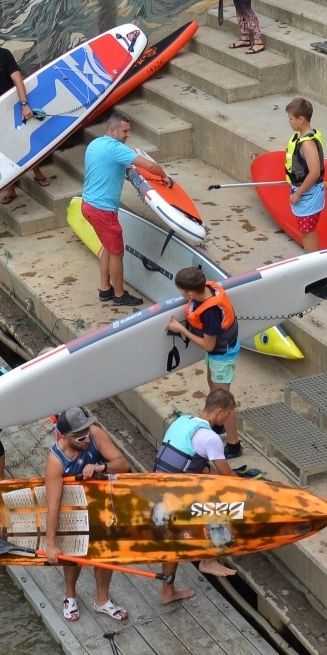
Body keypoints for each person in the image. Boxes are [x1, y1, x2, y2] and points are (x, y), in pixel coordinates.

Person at [152, 388, 243, 595]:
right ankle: (209, 560)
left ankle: (167, 593)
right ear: (219, 412)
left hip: (157, 488)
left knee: (172, 542)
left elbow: (189, 461)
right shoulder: (210, 438)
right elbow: (227, 475)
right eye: (228, 415)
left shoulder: (182, 421)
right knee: (223, 505)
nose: (228, 419)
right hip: (177, 495)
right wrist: (254, 489)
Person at [43, 406, 131, 621]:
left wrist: (100, 467)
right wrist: (51, 544)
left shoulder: (95, 434)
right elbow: (53, 503)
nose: (87, 439)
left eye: (87, 433)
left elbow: (123, 464)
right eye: (80, 437)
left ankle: (102, 600)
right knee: (74, 555)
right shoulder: (55, 461)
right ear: (66, 437)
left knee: (106, 554)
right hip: (74, 509)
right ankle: (70, 595)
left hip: (102, 505)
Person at [82, 111, 172, 306]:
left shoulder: (95, 144)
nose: (128, 135)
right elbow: (151, 166)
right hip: (103, 211)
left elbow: (105, 167)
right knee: (117, 253)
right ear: (113, 130)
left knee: (108, 247)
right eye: (125, 131)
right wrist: (165, 177)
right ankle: (120, 295)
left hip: (88, 205)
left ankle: (105, 289)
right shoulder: (116, 149)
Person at [0, 23, 51, 206]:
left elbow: (17, 79)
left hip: (13, 107)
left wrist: (24, 105)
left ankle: (37, 173)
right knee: (3, 152)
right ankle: (11, 189)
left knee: (25, 142)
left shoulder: (3, 55)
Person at [165, 268, 243, 461]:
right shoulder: (208, 288)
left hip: (222, 356)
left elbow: (209, 344)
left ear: (191, 293)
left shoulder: (210, 313)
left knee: (224, 401)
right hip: (219, 354)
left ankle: (234, 444)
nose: (182, 296)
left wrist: (181, 329)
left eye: (182, 292)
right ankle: (219, 425)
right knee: (212, 384)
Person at [284, 98, 325, 253]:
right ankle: (314, 259)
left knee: (307, 233)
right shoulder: (304, 136)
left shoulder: (307, 144)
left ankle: (313, 265)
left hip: (308, 195)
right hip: (307, 193)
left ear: (301, 119)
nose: (289, 122)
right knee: (308, 230)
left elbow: (314, 172)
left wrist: (297, 194)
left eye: (291, 118)